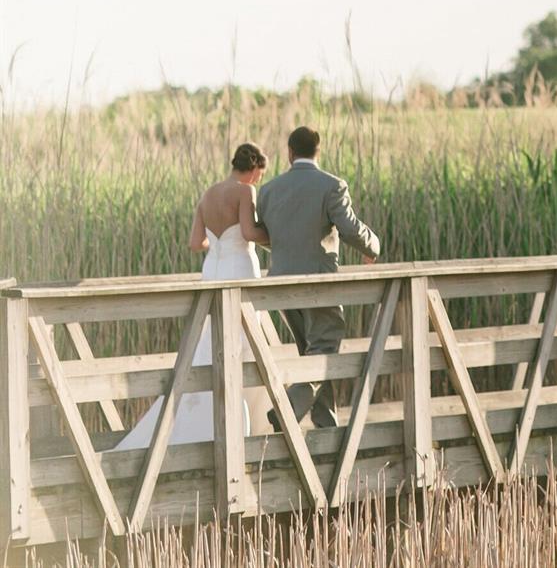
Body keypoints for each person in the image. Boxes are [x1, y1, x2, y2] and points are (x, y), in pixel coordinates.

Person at [115, 143, 270, 450]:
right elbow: (250, 234)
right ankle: (241, 419)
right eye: (259, 175)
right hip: (239, 269)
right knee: (242, 340)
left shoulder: (208, 194)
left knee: (211, 342)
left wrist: (219, 243)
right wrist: (276, 239)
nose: (258, 181)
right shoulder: (244, 192)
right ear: (253, 168)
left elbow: (194, 242)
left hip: (212, 270)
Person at [256, 125, 381, 429]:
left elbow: (264, 233)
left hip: (282, 284)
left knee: (310, 353)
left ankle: (326, 426)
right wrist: (373, 245)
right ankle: (285, 410)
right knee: (324, 352)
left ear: (290, 152)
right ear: (318, 151)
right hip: (318, 284)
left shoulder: (270, 189)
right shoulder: (331, 185)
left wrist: (285, 248)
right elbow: (350, 229)